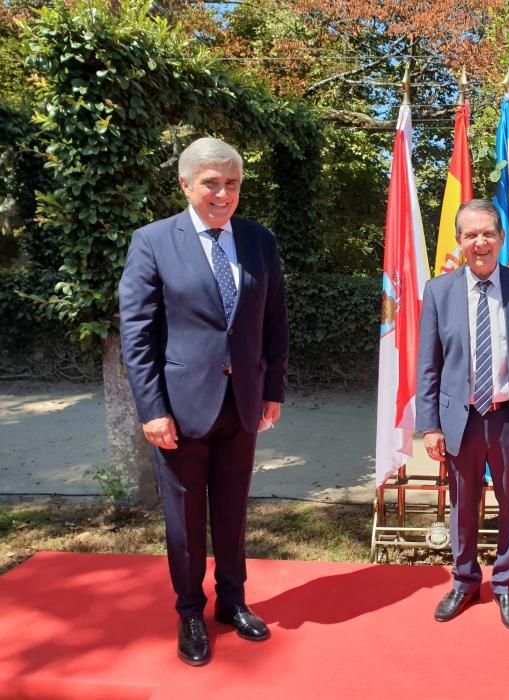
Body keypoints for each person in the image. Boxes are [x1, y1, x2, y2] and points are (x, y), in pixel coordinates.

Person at [119, 137, 288, 666]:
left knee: (233, 511)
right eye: (211, 182)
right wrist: (150, 409)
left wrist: (272, 390)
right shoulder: (152, 242)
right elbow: (137, 332)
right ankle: (191, 610)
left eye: (232, 183)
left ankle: (232, 602)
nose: (223, 193)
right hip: (179, 409)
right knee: (186, 519)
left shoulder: (260, 241)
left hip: (242, 404)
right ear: (186, 184)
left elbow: (273, 322)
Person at [416, 199, 509, 630]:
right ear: (459, 241)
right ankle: (464, 580)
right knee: (463, 505)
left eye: (488, 233)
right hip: (461, 418)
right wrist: (430, 425)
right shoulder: (439, 291)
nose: (480, 242)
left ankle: (507, 586)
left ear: (501, 238)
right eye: (471, 234)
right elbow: (428, 364)